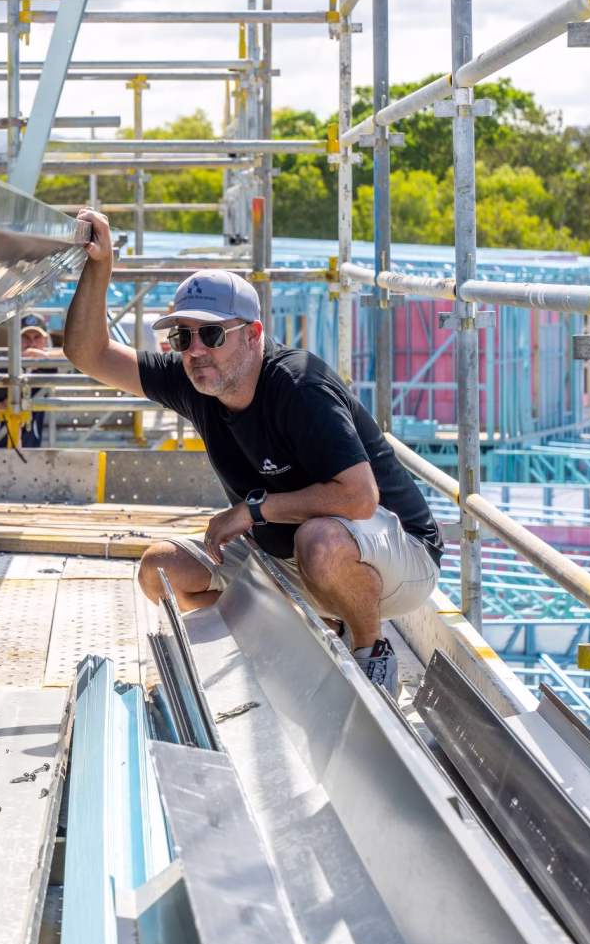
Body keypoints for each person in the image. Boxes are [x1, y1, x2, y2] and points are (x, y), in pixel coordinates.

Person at [64, 209, 443, 696]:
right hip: (283, 554)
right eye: (183, 336)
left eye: (212, 335)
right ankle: (289, 638)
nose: (196, 350)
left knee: (321, 542)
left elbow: (359, 499)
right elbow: (88, 354)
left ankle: (371, 650)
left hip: (396, 559)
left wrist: (254, 510)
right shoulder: (196, 380)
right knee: (160, 569)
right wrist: (100, 264)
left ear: (254, 335)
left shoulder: (298, 386)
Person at [0, 313, 57, 448]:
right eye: (25, 337)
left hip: (32, 452)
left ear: (45, 340)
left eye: (37, 337)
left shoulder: (48, 367)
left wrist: (45, 356)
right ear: (15, 339)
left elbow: (76, 356)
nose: (32, 343)